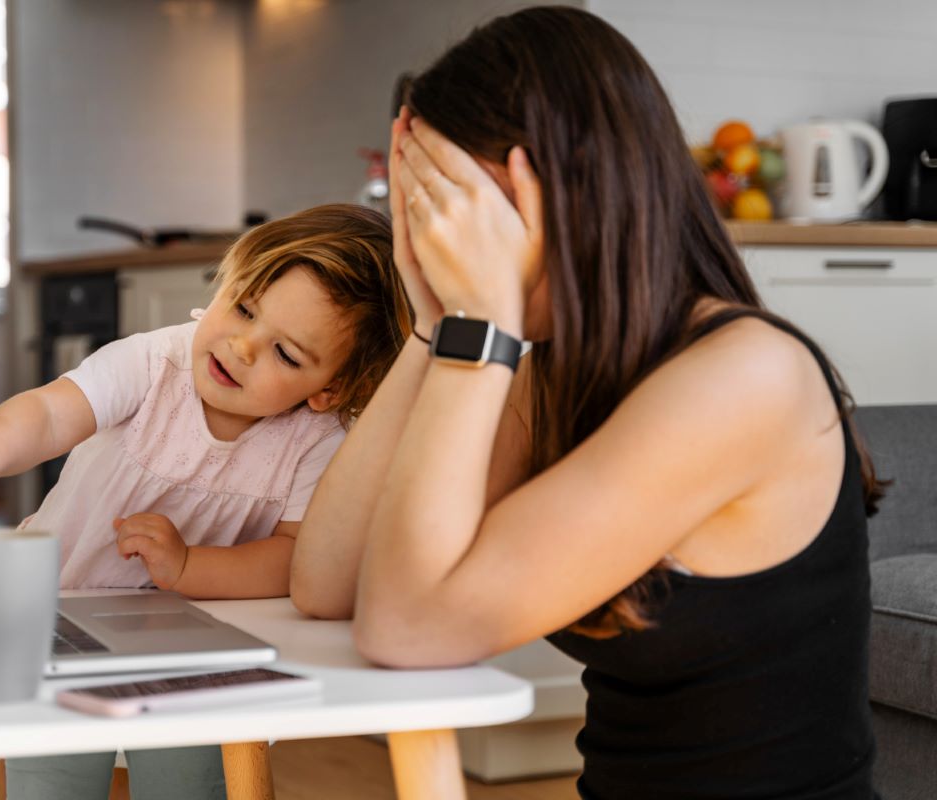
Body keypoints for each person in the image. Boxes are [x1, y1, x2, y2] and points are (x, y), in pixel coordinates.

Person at [290, 7, 884, 799]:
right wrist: (433, 328)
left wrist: (482, 328)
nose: (440, 238)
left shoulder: (747, 378)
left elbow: (408, 629)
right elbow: (329, 584)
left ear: (554, 188)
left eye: (456, 209)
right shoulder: (561, 372)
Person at [0, 203, 411, 800]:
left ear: (329, 391)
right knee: (54, 782)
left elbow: (295, 557)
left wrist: (191, 567)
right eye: (243, 308)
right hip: (67, 617)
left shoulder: (320, 440)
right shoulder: (151, 362)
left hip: (203, 643)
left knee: (190, 781)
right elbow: (48, 412)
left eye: (285, 354)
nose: (242, 346)